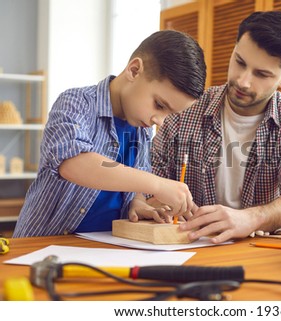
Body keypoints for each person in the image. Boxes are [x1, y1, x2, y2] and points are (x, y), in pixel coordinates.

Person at [149, 11, 281, 244]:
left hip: (262, 253)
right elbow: (150, 182)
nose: (243, 80)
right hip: (186, 246)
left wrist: (251, 218)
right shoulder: (185, 108)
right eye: (240, 62)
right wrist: (155, 202)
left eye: (262, 74)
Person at [13, 30, 206, 237]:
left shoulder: (141, 130)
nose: (159, 120)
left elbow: (133, 187)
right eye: (159, 105)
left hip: (102, 250)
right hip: (41, 247)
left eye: (170, 114)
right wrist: (158, 184)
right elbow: (74, 164)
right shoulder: (75, 103)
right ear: (134, 70)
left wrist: (139, 203)